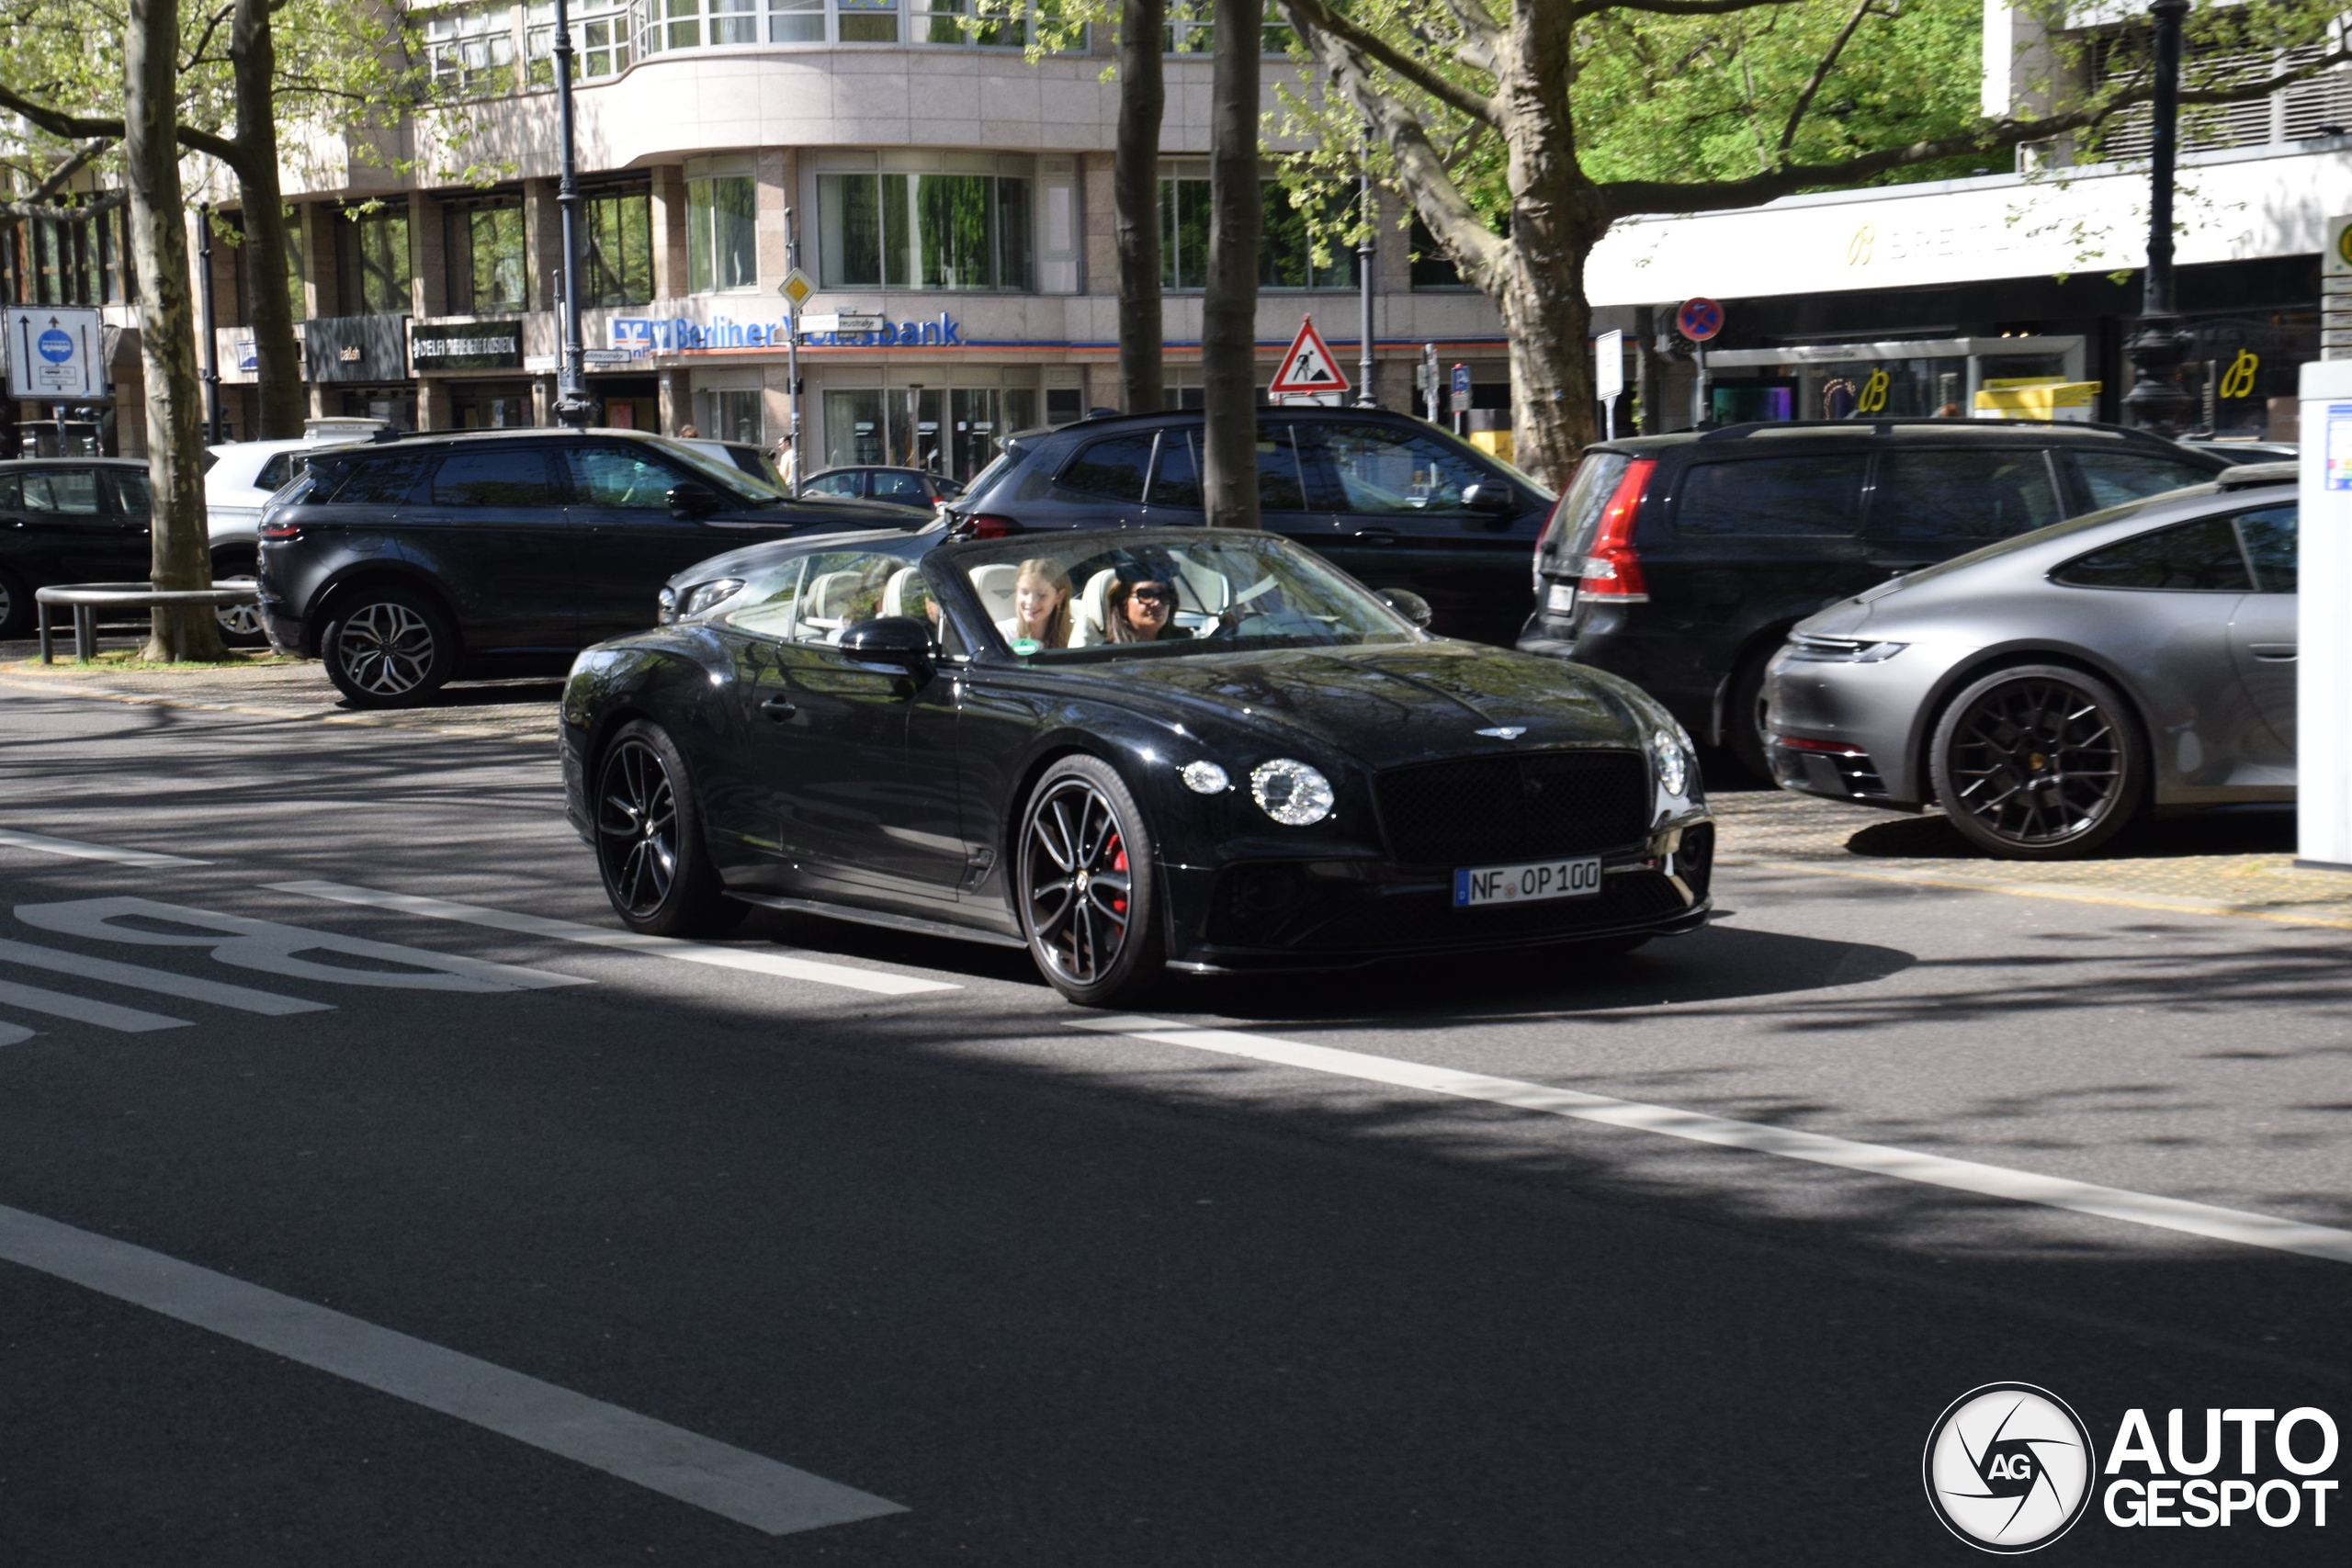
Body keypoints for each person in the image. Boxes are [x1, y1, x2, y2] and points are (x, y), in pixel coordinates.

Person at [996, 558, 1074, 649]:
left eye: (1041, 595)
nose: (1031, 602)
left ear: (1059, 597)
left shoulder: (1075, 638)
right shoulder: (1002, 635)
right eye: (1024, 592)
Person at [1105, 577, 1185, 643]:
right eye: (1146, 595)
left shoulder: (1186, 647)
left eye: (1164, 595)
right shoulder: (1105, 657)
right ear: (1123, 605)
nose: (1157, 603)